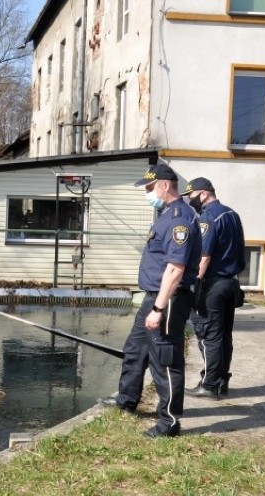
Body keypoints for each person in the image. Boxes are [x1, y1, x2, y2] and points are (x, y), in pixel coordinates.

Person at [99, 163, 201, 438]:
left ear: (164, 186)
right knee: (135, 350)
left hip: (167, 300)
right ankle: (127, 400)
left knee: (165, 362)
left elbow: (175, 269)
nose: (147, 193)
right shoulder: (165, 214)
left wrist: (158, 308)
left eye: (149, 187)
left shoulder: (179, 219)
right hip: (153, 297)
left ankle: (168, 423)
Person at [182, 177, 246, 399]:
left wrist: (194, 282)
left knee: (209, 334)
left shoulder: (208, 217)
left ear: (203, 194)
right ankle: (221, 381)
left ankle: (209, 384)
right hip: (232, 283)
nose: (190, 202)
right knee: (224, 335)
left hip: (213, 284)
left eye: (191, 197)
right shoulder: (232, 214)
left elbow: (204, 256)